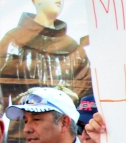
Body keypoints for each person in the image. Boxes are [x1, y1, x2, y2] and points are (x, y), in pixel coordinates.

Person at [0, 0, 91, 129]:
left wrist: (73, 99)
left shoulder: (75, 50)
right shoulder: (14, 39)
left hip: (64, 134)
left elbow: (86, 101)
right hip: (23, 134)